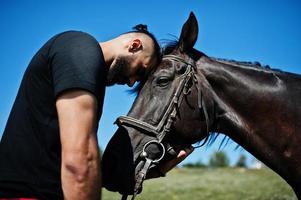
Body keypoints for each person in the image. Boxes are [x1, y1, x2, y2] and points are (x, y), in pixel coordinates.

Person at [0, 25, 193, 200]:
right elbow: (80, 160)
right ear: (134, 45)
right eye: (140, 71)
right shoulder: (80, 48)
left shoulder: (87, 72)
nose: (132, 82)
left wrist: (154, 170)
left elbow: (69, 163)